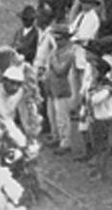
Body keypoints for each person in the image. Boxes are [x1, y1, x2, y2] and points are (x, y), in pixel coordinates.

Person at [44, 24, 75, 154]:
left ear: (66, 39)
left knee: (62, 118)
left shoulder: (69, 53)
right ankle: (56, 136)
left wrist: (53, 59)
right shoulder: (56, 50)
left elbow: (60, 70)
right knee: (52, 115)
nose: (57, 42)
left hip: (62, 88)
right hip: (52, 87)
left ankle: (65, 142)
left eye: (59, 39)